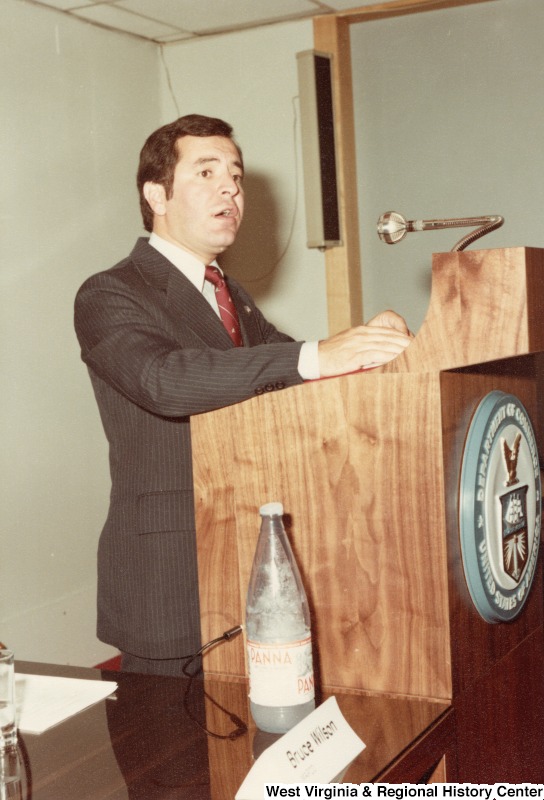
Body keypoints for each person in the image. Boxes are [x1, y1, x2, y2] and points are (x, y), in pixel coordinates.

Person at [74, 114, 411, 676]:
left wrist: (374, 346)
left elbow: (296, 369)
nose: (230, 187)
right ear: (156, 193)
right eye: (206, 172)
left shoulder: (231, 294)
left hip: (249, 558)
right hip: (172, 574)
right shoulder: (110, 291)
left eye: (235, 174)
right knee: (169, 758)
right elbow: (165, 379)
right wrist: (323, 353)